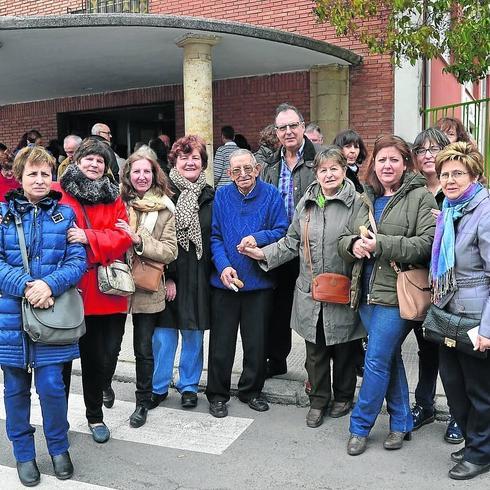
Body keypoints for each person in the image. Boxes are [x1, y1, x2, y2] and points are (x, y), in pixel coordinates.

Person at [242, 146, 365, 428]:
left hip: (343, 288)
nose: (329, 174)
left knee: (345, 347)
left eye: (334, 168)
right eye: (323, 170)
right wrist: (264, 254)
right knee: (316, 349)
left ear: (344, 171)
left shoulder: (357, 202)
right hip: (310, 290)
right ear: (317, 174)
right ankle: (319, 400)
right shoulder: (307, 202)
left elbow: (362, 239)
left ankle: (344, 397)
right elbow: (291, 242)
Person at [339, 134, 437, 455]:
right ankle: (401, 422)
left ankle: (360, 426)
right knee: (389, 357)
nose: (387, 165)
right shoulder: (365, 197)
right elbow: (344, 238)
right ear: (373, 165)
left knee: (376, 360)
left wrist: (380, 244)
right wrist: (353, 244)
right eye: (381, 160)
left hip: (397, 294)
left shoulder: (420, 196)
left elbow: (425, 244)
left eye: (394, 159)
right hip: (366, 293)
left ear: (405, 163)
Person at [0, 146, 86, 486]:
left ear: (53, 178)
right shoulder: (2, 215)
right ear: (19, 178)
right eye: (32, 173)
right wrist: (26, 285)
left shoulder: (64, 215)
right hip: (9, 319)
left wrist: (48, 286)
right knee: (15, 389)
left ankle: (58, 447)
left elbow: (77, 262)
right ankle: (23, 453)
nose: (39, 179)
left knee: (52, 386)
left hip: (51, 318)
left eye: (45, 174)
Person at [59, 138, 133, 444]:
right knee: (61, 363)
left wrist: (88, 236)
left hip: (102, 292)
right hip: (67, 289)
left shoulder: (113, 198)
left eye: (100, 161)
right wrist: (104, 240)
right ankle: (56, 418)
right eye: (89, 159)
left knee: (96, 360)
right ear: (77, 161)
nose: (94, 164)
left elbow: (124, 237)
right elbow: (58, 237)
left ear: (106, 168)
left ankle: (94, 416)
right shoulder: (59, 195)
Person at [206, 149, 288, 418]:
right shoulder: (222, 195)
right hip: (225, 282)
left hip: (259, 283)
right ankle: (217, 394)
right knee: (221, 343)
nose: (243, 174)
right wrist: (223, 267)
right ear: (228, 174)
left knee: (256, 343)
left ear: (257, 169)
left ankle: (251, 391)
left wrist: (258, 237)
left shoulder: (271, 194)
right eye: (236, 170)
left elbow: (281, 230)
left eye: (248, 169)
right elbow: (216, 236)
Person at [430, 142, 490, 480]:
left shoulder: (484, 211)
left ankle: (481, 453)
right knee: (454, 385)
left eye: (457, 173)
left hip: (475, 314)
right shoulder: (451, 210)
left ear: (474, 175)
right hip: (447, 311)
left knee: (479, 390)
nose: (449, 180)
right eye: (444, 174)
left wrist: (487, 329)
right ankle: (475, 442)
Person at [152, 135, 214, 410]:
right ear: (174, 161)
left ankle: (188, 385)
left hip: (200, 276)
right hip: (168, 275)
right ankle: (158, 386)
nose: (190, 162)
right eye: (184, 157)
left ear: (203, 164)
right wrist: (168, 277)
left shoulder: (211, 196)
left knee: (194, 335)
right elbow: (153, 237)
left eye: (196, 158)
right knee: (164, 337)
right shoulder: (162, 195)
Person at [409, 128, 464, 443]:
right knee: (427, 348)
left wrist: (446, 220)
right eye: (421, 149)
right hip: (420, 282)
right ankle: (424, 405)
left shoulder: (458, 187)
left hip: (454, 287)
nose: (427, 154)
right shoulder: (414, 189)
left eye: (434, 148)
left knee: (453, 352)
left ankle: (458, 413)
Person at [119, 147, 177, 428]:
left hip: (146, 287)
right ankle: (103, 389)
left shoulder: (165, 209)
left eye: (147, 171)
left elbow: (169, 251)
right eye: (136, 171)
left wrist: (138, 240)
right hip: (114, 285)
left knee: (143, 348)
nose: (141, 176)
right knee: (109, 347)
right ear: (128, 175)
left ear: (154, 175)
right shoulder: (117, 203)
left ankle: (142, 401)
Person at [261, 103, 319, 378]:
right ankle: (277, 359)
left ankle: (315, 371)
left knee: (311, 308)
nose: (288, 132)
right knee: (278, 309)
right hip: (279, 247)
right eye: (282, 128)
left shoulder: (319, 159)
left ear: (303, 126)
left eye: (293, 126)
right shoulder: (270, 164)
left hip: (311, 248)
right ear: (276, 132)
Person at [332, 129, 368, 193]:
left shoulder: (354, 172)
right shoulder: (333, 175)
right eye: (348, 146)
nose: (353, 151)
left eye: (356, 147)